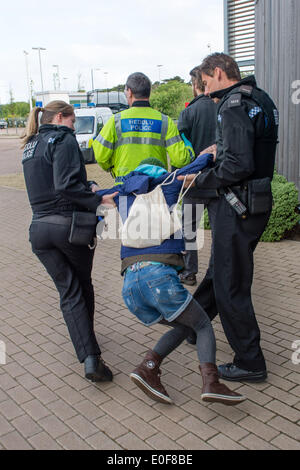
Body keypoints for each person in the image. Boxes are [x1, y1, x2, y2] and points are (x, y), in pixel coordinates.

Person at [93, 157, 246, 406]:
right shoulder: (167, 184)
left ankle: (148, 368)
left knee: (186, 324)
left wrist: (90, 188)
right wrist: (208, 154)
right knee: (204, 325)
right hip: (158, 278)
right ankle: (211, 383)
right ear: (158, 171)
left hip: (130, 286)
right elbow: (191, 169)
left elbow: (94, 196)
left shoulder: (122, 191)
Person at [178, 53, 279, 382]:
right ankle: (191, 325)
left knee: (230, 284)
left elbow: (238, 166)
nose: (205, 92)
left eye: (205, 83)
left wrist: (199, 180)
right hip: (254, 203)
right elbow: (251, 147)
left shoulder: (233, 103)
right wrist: (218, 150)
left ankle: (250, 361)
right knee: (220, 272)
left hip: (237, 206)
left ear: (219, 72)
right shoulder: (259, 98)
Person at [21, 101, 117, 383]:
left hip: (39, 231)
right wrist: (98, 198)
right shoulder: (62, 139)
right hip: (68, 228)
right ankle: (91, 357)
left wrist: (87, 187)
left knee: (68, 290)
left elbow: (54, 183)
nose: (75, 127)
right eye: (74, 121)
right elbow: (65, 185)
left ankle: (88, 347)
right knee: (81, 286)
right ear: (61, 117)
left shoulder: (31, 144)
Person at [92, 72, 193, 184]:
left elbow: (100, 156)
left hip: (125, 188)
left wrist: (111, 167)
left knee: (124, 202)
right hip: (155, 189)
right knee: (156, 202)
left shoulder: (115, 121)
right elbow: (180, 160)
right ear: (148, 92)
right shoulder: (165, 121)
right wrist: (189, 148)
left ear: (129, 92)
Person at [177, 66, 217, 286]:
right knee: (220, 230)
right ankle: (217, 272)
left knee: (189, 229)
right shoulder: (221, 106)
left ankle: (190, 271)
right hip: (220, 180)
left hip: (193, 182)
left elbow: (181, 152)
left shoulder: (188, 112)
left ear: (196, 84)